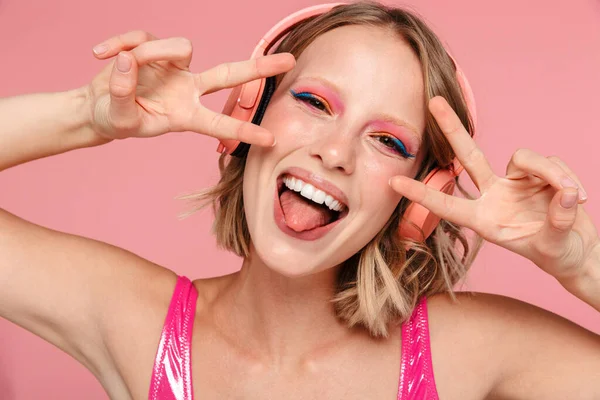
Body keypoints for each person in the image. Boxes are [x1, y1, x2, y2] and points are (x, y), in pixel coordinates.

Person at [1, 1, 599, 399]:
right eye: (314, 103)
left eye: (387, 140)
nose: (336, 153)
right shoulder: (137, 319)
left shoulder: (467, 347)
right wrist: (89, 115)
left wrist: (584, 267)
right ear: (248, 112)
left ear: (420, 202)